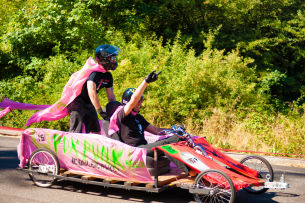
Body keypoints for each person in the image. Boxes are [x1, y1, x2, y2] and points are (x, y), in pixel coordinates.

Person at [108, 70, 191, 175]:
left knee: (173, 141)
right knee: (171, 141)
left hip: (144, 147)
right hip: (134, 151)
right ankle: (190, 172)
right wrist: (146, 81)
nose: (140, 103)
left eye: (141, 101)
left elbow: (156, 131)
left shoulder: (138, 117)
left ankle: (192, 170)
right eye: (138, 101)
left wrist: (174, 130)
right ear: (127, 102)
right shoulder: (122, 114)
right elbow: (133, 99)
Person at [67, 44, 120, 134]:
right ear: (104, 59)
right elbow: (92, 92)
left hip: (89, 103)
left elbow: (111, 96)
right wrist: (100, 110)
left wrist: (116, 111)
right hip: (77, 102)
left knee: (96, 131)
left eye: (115, 58)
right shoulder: (94, 73)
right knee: (76, 132)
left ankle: (93, 148)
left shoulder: (108, 75)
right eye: (112, 58)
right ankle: (69, 147)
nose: (114, 61)